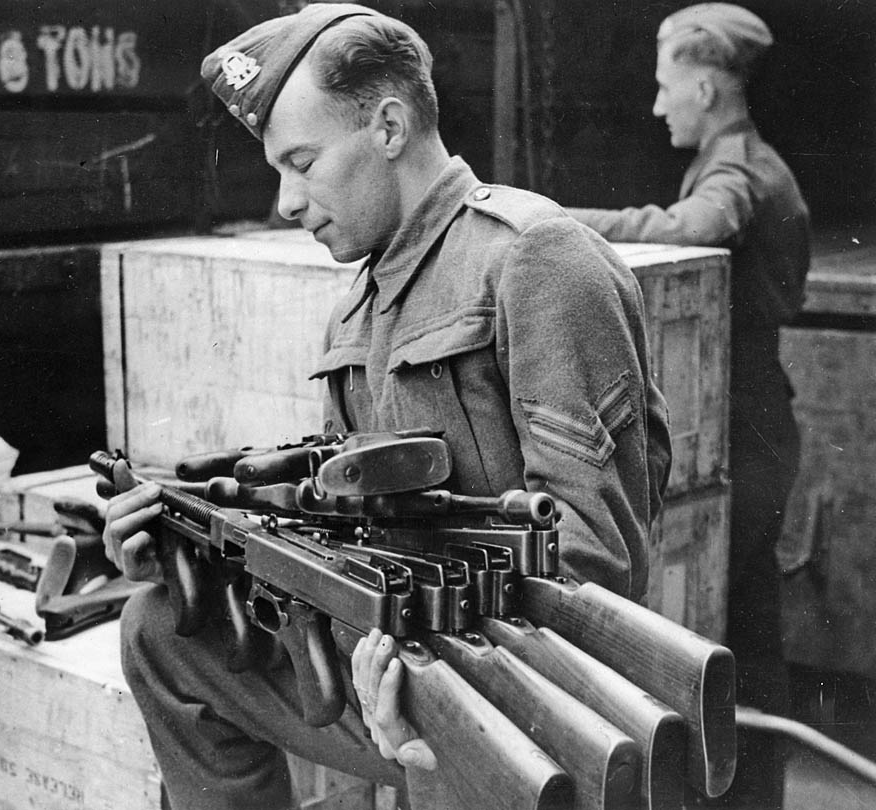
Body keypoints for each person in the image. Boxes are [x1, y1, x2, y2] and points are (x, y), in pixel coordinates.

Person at [103, 4, 671, 808]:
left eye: (301, 162)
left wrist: (421, 663)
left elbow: (595, 563)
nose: (285, 202)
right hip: (388, 669)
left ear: (391, 127)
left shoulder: (536, 258)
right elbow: (348, 522)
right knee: (164, 632)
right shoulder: (360, 306)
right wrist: (195, 550)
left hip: (508, 691)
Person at [565, 4, 810, 808]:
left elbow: (689, 230)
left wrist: (559, 223)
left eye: (668, 86)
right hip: (757, 411)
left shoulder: (735, 167)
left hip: (745, 418)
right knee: (743, 617)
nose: (658, 104)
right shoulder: (738, 156)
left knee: (733, 620)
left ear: (706, 86)